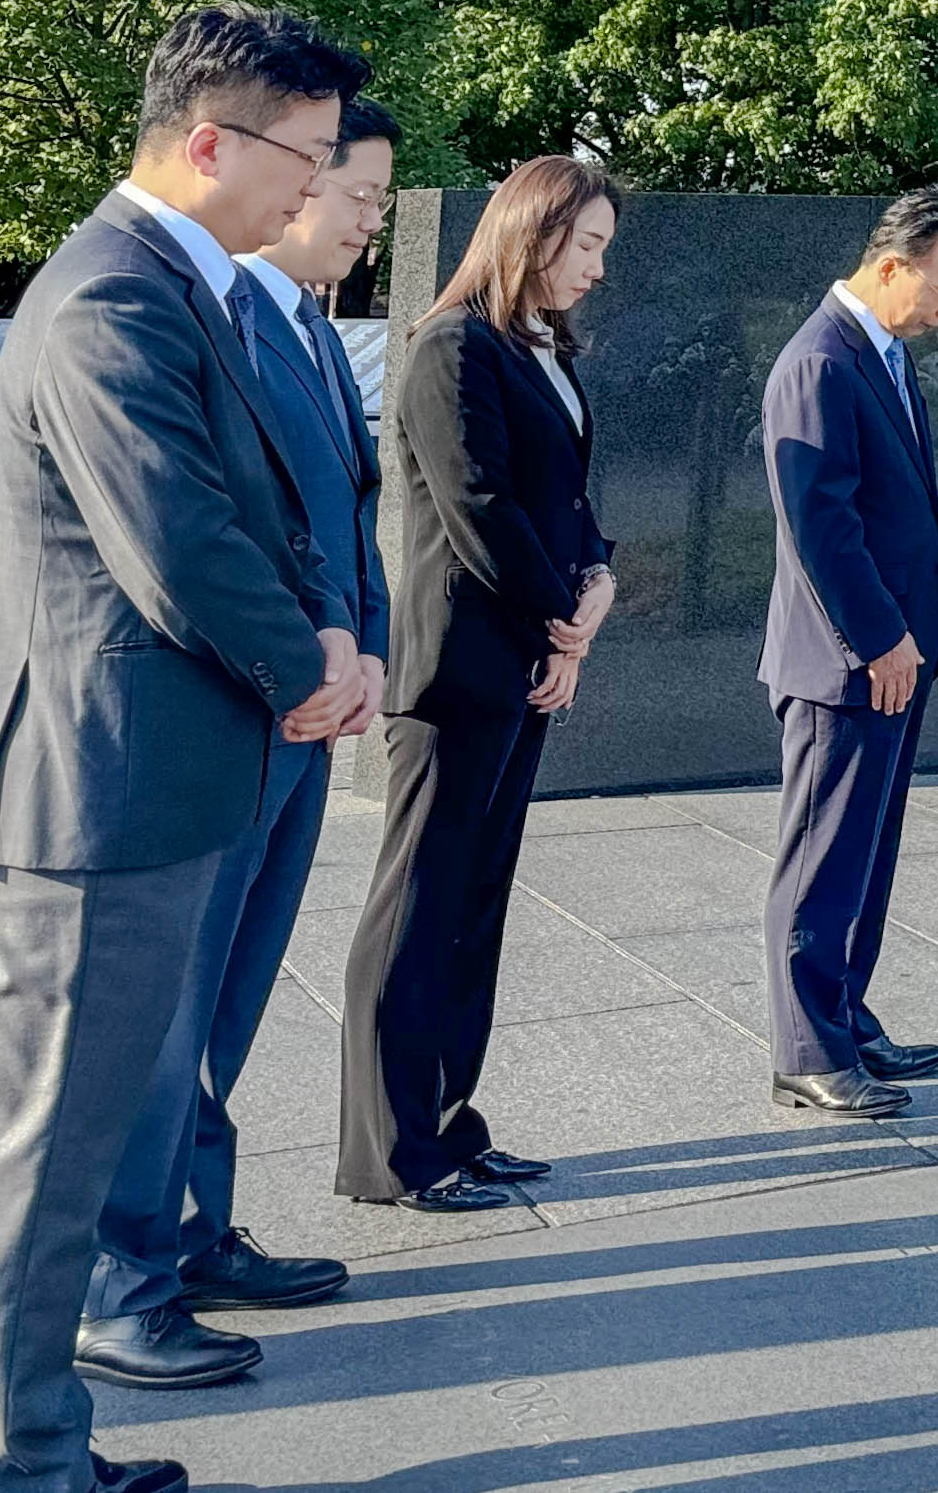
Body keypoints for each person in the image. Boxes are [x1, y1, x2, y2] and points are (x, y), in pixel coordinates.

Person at [0, 3, 367, 1493]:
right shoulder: (115, 296)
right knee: (43, 1165)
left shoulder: (170, 283)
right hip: (97, 798)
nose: (319, 187)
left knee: (59, 1156)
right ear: (210, 142)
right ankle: (23, 1468)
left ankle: (36, 1452)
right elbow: (177, 536)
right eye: (306, 154)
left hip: (140, 783)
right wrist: (307, 668)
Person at [78, 97, 398, 1396]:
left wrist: (364, 648)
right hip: (233, 711)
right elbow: (208, 533)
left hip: (307, 715)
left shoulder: (313, 334)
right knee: (167, 1015)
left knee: (231, 999)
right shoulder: (201, 319)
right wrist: (307, 661)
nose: (365, 217)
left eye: (373, 195)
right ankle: (122, 1271)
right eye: (350, 188)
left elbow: (347, 517)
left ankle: (194, 1231)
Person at [339, 158, 621, 1211]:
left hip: (526, 658)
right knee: (418, 909)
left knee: (474, 906)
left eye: (602, 249)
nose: (596, 268)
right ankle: (391, 1153)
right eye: (584, 245)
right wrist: (565, 622)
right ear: (528, 233)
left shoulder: (540, 348)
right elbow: (482, 509)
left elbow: (568, 499)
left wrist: (595, 587)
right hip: (457, 670)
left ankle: (451, 1128)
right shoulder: (450, 346)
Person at [758, 190, 938, 1119]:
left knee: (867, 850)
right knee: (822, 855)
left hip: (895, 654)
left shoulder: (881, 355)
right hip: (846, 661)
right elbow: (821, 524)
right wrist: (881, 638)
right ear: (892, 266)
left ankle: (846, 1016)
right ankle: (807, 1050)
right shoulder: (818, 362)